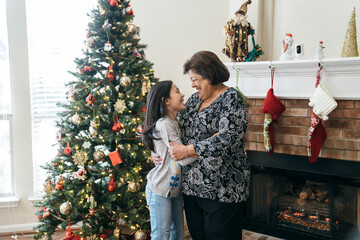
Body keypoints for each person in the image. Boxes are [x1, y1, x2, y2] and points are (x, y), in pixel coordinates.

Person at [168, 50, 250, 240]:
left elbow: (229, 137)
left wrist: (189, 149)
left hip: (223, 188)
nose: (192, 84)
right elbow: (179, 129)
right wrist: (161, 150)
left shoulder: (231, 98)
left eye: (195, 79)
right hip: (192, 186)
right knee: (198, 235)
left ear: (209, 75)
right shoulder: (195, 99)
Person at [142, 80, 197, 240]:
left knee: (177, 234)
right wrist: (207, 149)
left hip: (174, 189)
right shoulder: (164, 124)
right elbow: (183, 160)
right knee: (161, 235)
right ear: (166, 100)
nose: (182, 95)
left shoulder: (175, 122)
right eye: (177, 91)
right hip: (160, 189)